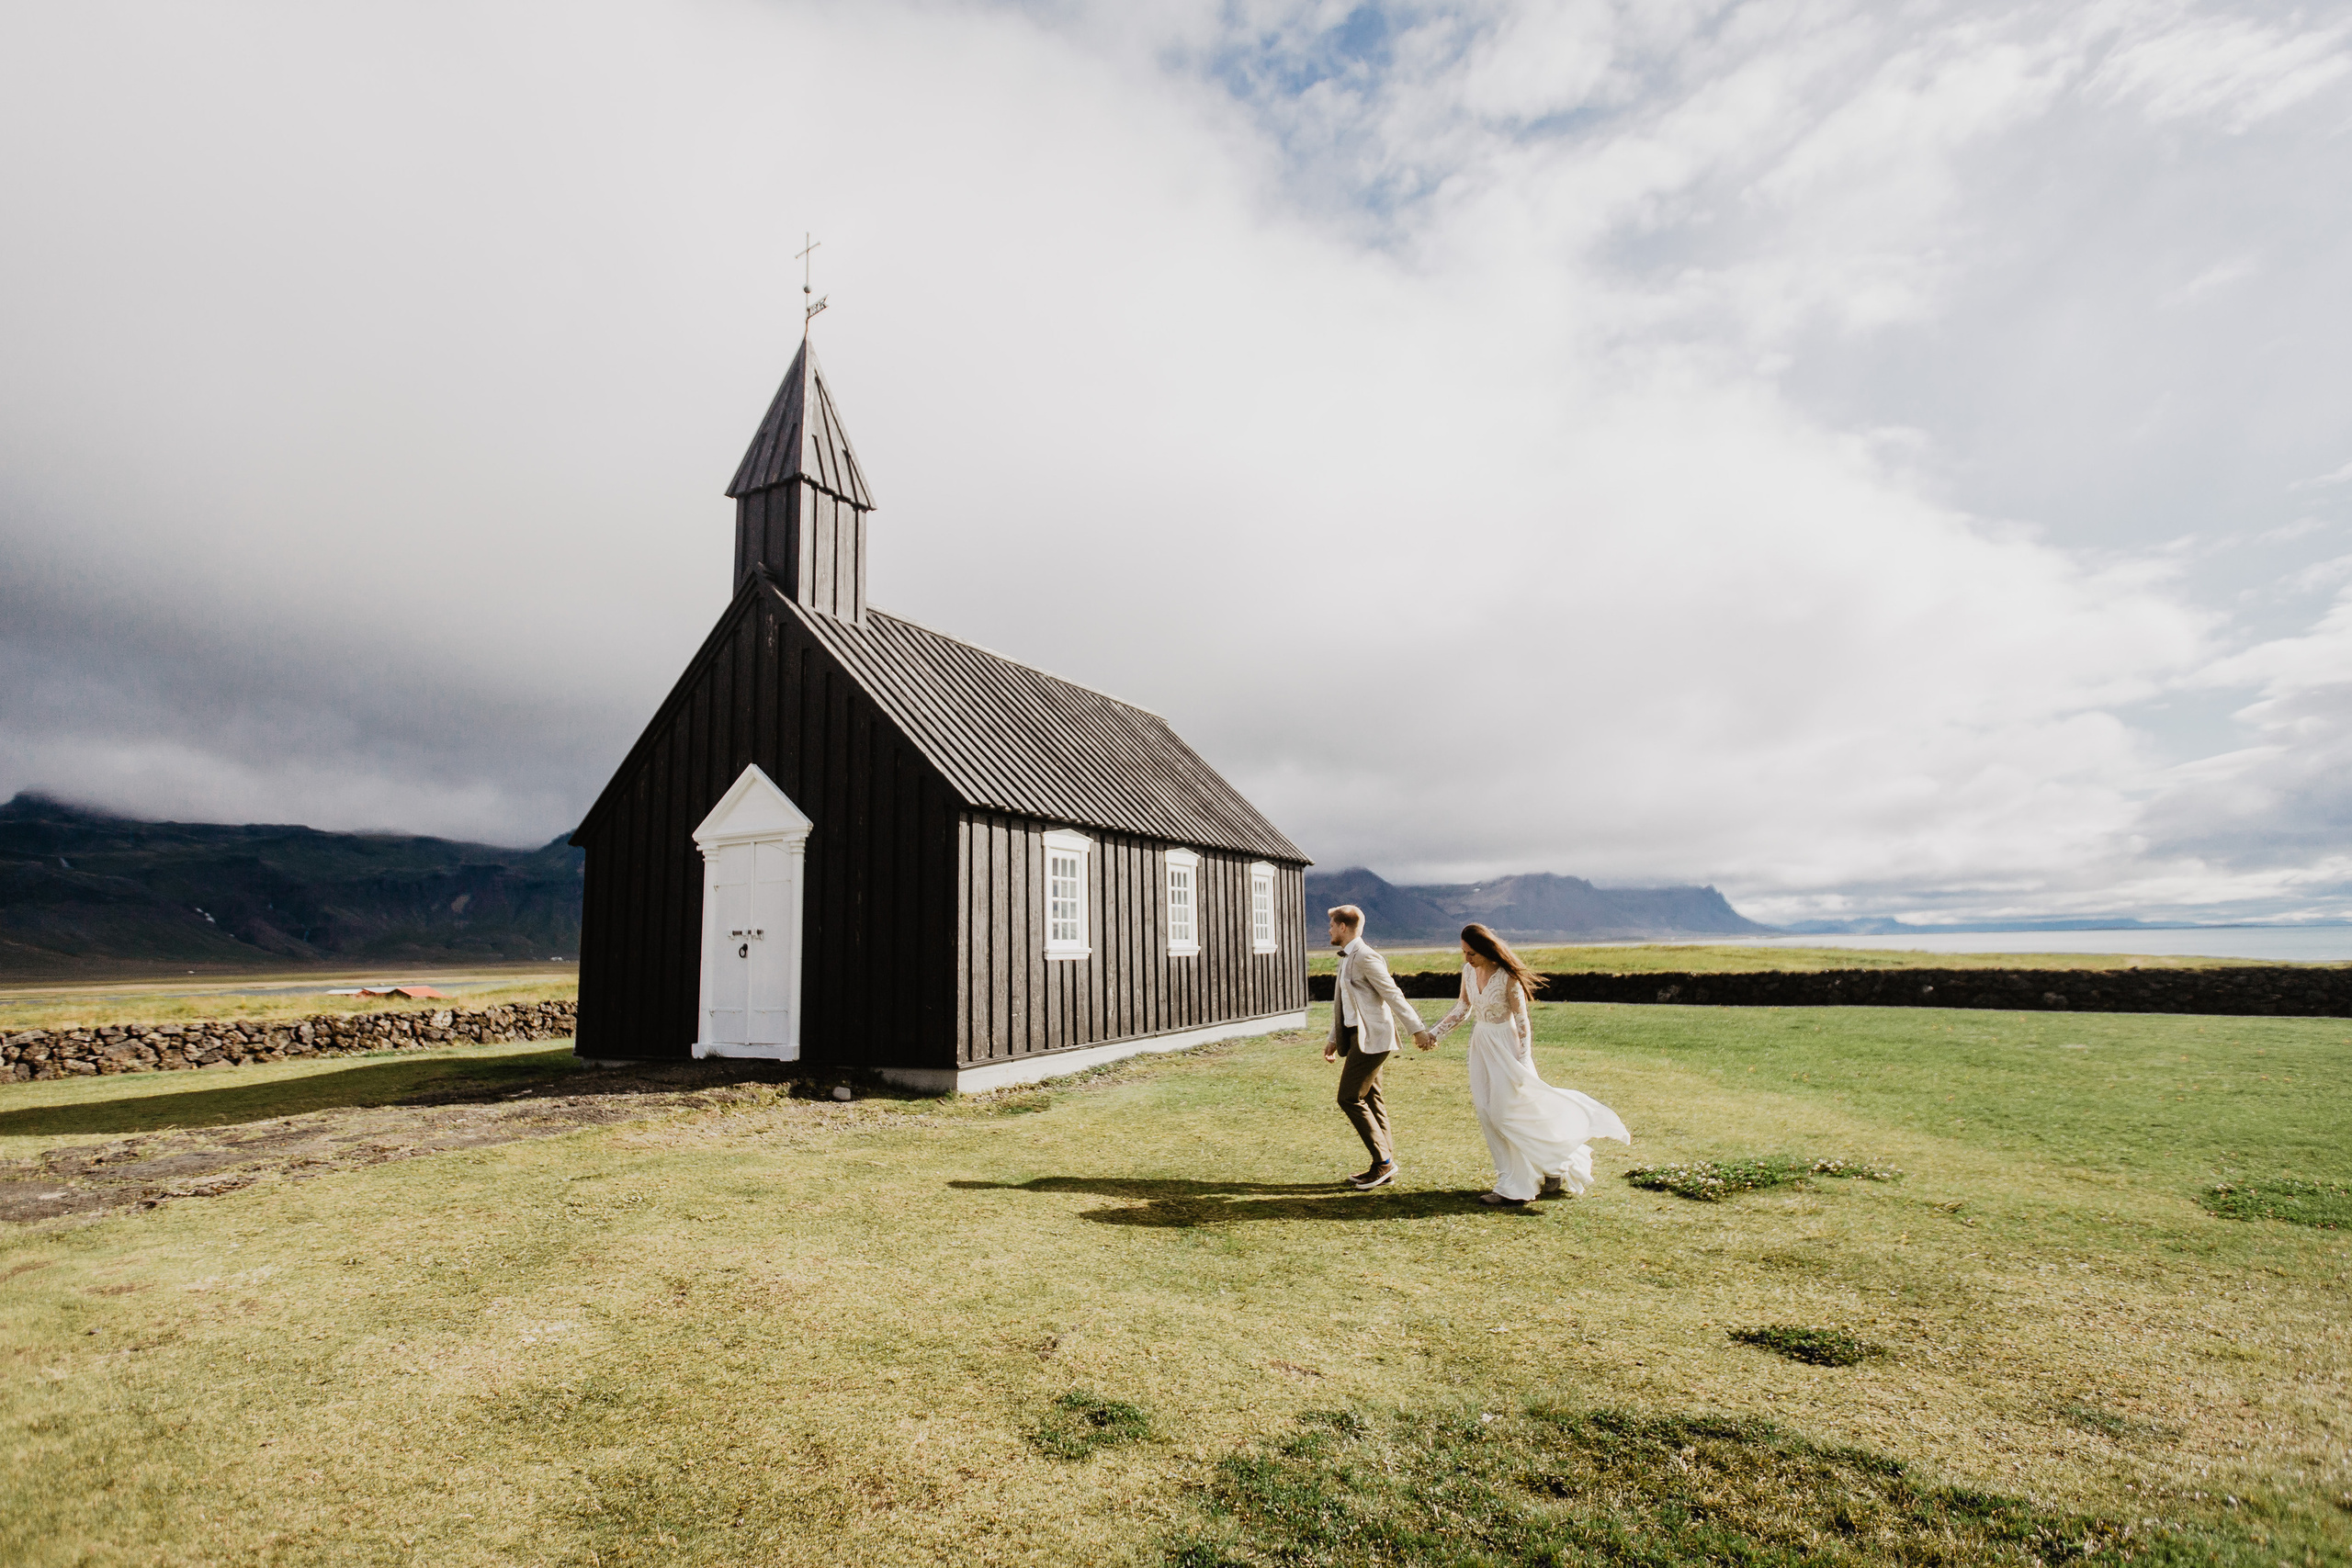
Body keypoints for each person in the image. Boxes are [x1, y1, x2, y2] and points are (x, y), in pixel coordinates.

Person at [1418, 922, 1630, 1208]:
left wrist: (1524, 1056)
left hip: (1507, 1047)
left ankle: (1519, 1185)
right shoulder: (1468, 971)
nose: (1466, 958)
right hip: (1481, 1045)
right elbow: (1462, 1008)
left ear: (1486, 951)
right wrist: (1434, 1034)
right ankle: (1539, 1170)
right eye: (1463, 952)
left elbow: (1521, 1020)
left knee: (1507, 1113)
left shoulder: (1507, 978)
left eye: (1471, 954)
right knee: (1486, 1111)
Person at [1324, 905, 1435, 1190]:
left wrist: (1417, 1029)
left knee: (1348, 1097)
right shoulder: (1346, 958)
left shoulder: (1366, 957)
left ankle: (1384, 1162)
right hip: (1357, 1036)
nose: (1329, 930)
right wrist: (1334, 1038)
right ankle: (1383, 1164)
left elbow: (1393, 995)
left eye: (1333, 926)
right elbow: (1346, 1004)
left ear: (1344, 928)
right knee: (1372, 1099)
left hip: (1374, 1038)